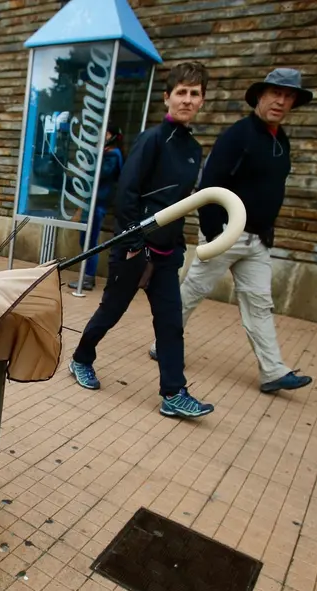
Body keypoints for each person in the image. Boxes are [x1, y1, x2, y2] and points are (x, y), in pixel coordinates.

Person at [68, 62, 214, 419]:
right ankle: (80, 358)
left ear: (202, 101)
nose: (187, 99)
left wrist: (177, 245)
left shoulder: (194, 149)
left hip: (166, 254)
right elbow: (127, 193)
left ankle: (174, 393)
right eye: (181, 92)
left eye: (194, 94)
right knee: (111, 312)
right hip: (135, 248)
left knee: (170, 323)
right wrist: (134, 240)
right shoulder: (152, 139)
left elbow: (181, 203)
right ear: (167, 97)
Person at [164, 68, 313, 394]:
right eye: (276, 93)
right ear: (260, 96)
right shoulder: (238, 135)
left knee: (260, 303)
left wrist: (267, 232)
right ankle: (164, 343)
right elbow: (210, 185)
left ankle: (272, 371)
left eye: (288, 97)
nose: (281, 101)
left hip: (258, 240)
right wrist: (213, 231)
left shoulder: (280, 140)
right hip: (226, 234)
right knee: (191, 293)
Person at [69, 126, 124, 291]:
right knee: (84, 239)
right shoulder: (105, 153)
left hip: (98, 204)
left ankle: (88, 278)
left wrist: (88, 167)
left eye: (105, 134)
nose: (101, 137)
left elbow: (102, 174)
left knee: (90, 241)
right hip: (93, 202)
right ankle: (87, 276)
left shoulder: (113, 155)